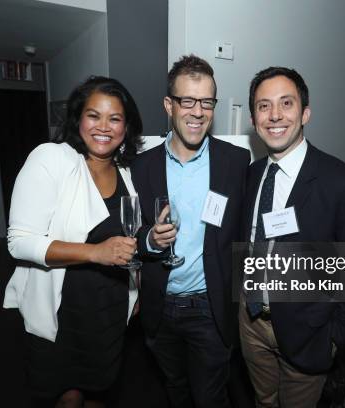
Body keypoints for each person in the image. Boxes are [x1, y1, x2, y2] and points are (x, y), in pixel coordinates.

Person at [239, 67, 345, 408]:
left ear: (305, 113)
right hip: (251, 321)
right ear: (254, 119)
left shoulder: (343, 184)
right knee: (263, 400)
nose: (274, 115)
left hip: (309, 332)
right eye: (263, 106)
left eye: (286, 103)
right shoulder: (252, 175)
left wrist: (336, 338)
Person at [3, 76, 143, 408]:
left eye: (115, 118)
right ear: (78, 118)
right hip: (62, 307)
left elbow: (131, 239)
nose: (103, 127)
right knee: (67, 396)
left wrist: (138, 289)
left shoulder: (128, 172)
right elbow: (19, 242)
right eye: (94, 115)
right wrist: (96, 252)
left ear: (126, 126)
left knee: (100, 387)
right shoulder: (52, 159)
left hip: (109, 305)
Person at [131, 55, 250, 408]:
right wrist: (150, 240)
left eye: (207, 102)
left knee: (209, 397)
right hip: (160, 307)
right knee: (175, 387)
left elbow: (245, 228)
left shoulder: (235, 162)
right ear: (170, 105)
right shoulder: (141, 166)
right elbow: (129, 232)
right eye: (188, 101)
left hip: (210, 309)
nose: (198, 112)